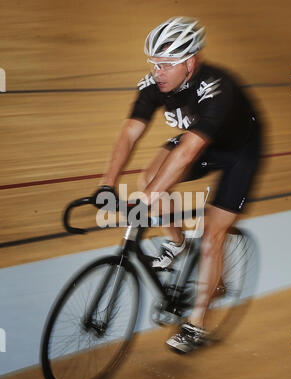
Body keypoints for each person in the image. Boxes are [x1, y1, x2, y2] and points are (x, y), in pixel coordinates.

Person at [97, 16, 263, 353]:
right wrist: (107, 183)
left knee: (213, 235)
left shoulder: (218, 88)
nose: (158, 71)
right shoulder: (154, 84)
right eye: (154, 63)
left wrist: (146, 200)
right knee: (149, 177)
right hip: (199, 139)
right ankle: (176, 242)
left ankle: (197, 323)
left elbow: (189, 152)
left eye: (166, 64)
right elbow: (130, 131)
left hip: (238, 153)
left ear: (191, 61)